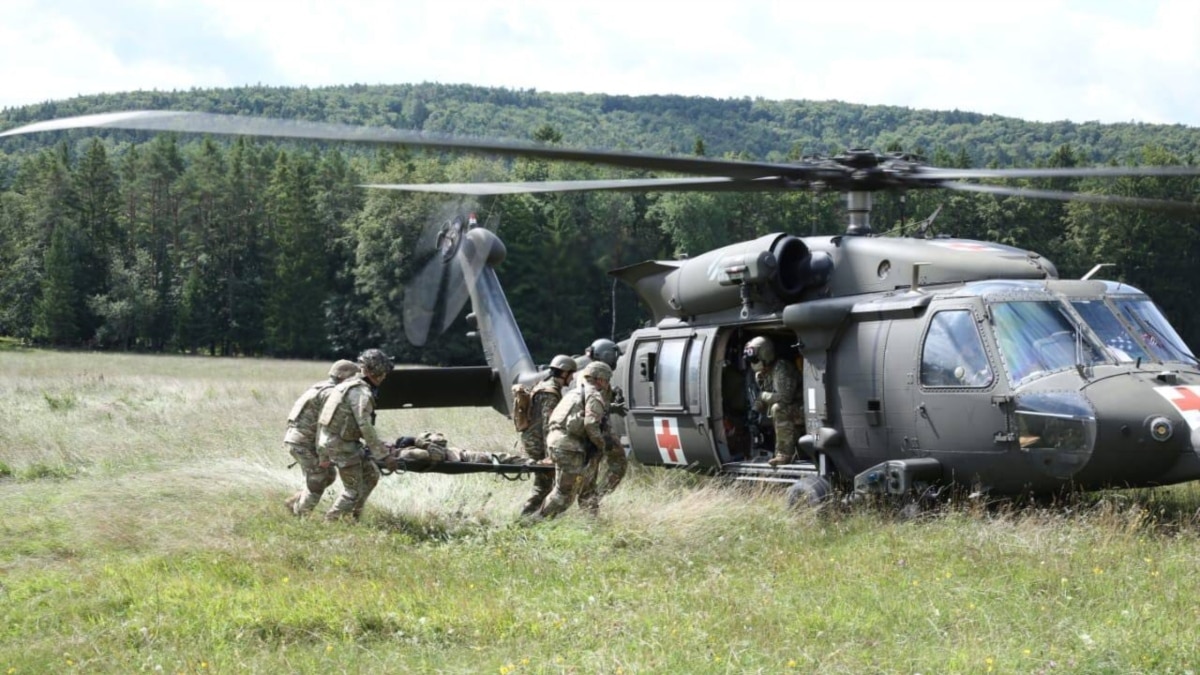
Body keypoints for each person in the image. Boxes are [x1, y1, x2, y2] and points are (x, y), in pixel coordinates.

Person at [317, 348, 395, 521]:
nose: (384, 376)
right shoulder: (361, 392)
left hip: (337, 442)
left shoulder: (346, 385)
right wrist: (384, 455)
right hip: (342, 446)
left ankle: (354, 516)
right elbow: (365, 426)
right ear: (377, 372)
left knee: (372, 475)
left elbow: (323, 421)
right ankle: (330, 522)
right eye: (383, 372)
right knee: (352, 491)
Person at [283, 359, 361, 516]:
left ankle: (294, 502)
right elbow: (323, 425)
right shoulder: (331, 393)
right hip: (304, 442)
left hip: (298, 440)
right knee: (318, 479)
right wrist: (323, 454)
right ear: (345, 377)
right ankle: (300, 515)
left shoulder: (319, 387)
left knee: (329, 475)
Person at [537, 360, 612, 520]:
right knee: (563, 494)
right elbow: (591, 423)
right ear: (600, 379)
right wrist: (601, 445)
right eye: (607, 380)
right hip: (569, 447)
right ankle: (536, 522)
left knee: (586, 488)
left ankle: (592, 523)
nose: (607, 384)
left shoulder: (573, 393)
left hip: (557, 443)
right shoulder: (594, 396)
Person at [518, 354, 578, 516]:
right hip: (538, 444)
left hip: (531, 441)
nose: (572, 379)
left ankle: (534, 516)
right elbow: (548, 426)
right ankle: (526, 517)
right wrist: (550, 455)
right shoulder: (551, 393)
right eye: (571, 374)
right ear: (564, 373)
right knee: (543, 485)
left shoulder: (542, 385)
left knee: (544, 484)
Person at [575, 340, 626, 513]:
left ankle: (592, 500)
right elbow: (590, 407)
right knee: (591, 471)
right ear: (607, 355)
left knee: (617, 463)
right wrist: (599, 440)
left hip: (599, 428)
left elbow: (599, 404)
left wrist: (613, 405)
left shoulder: (594, 374)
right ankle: (589, 505)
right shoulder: (591, 378)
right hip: (593, 430)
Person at [744, 335, 804, 466]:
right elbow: (763, 396)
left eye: (755, 359)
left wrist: (762, 397)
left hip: (803, 408)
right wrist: (755, 410)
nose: (753, 363)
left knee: (778, 408)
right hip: (793, 409)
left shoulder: (781, 368)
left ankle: (784, 454)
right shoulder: (761, 373)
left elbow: (784, 397)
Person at [394, 431, 529, 469]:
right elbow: (437, 454)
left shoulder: (398, 451)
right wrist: (418, 441)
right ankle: (534, 463)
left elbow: (441, 442)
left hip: (458, 454)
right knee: (497, 458)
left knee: (499, 457)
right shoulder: (412, 453)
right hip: (462, 458)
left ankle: (533, 462)